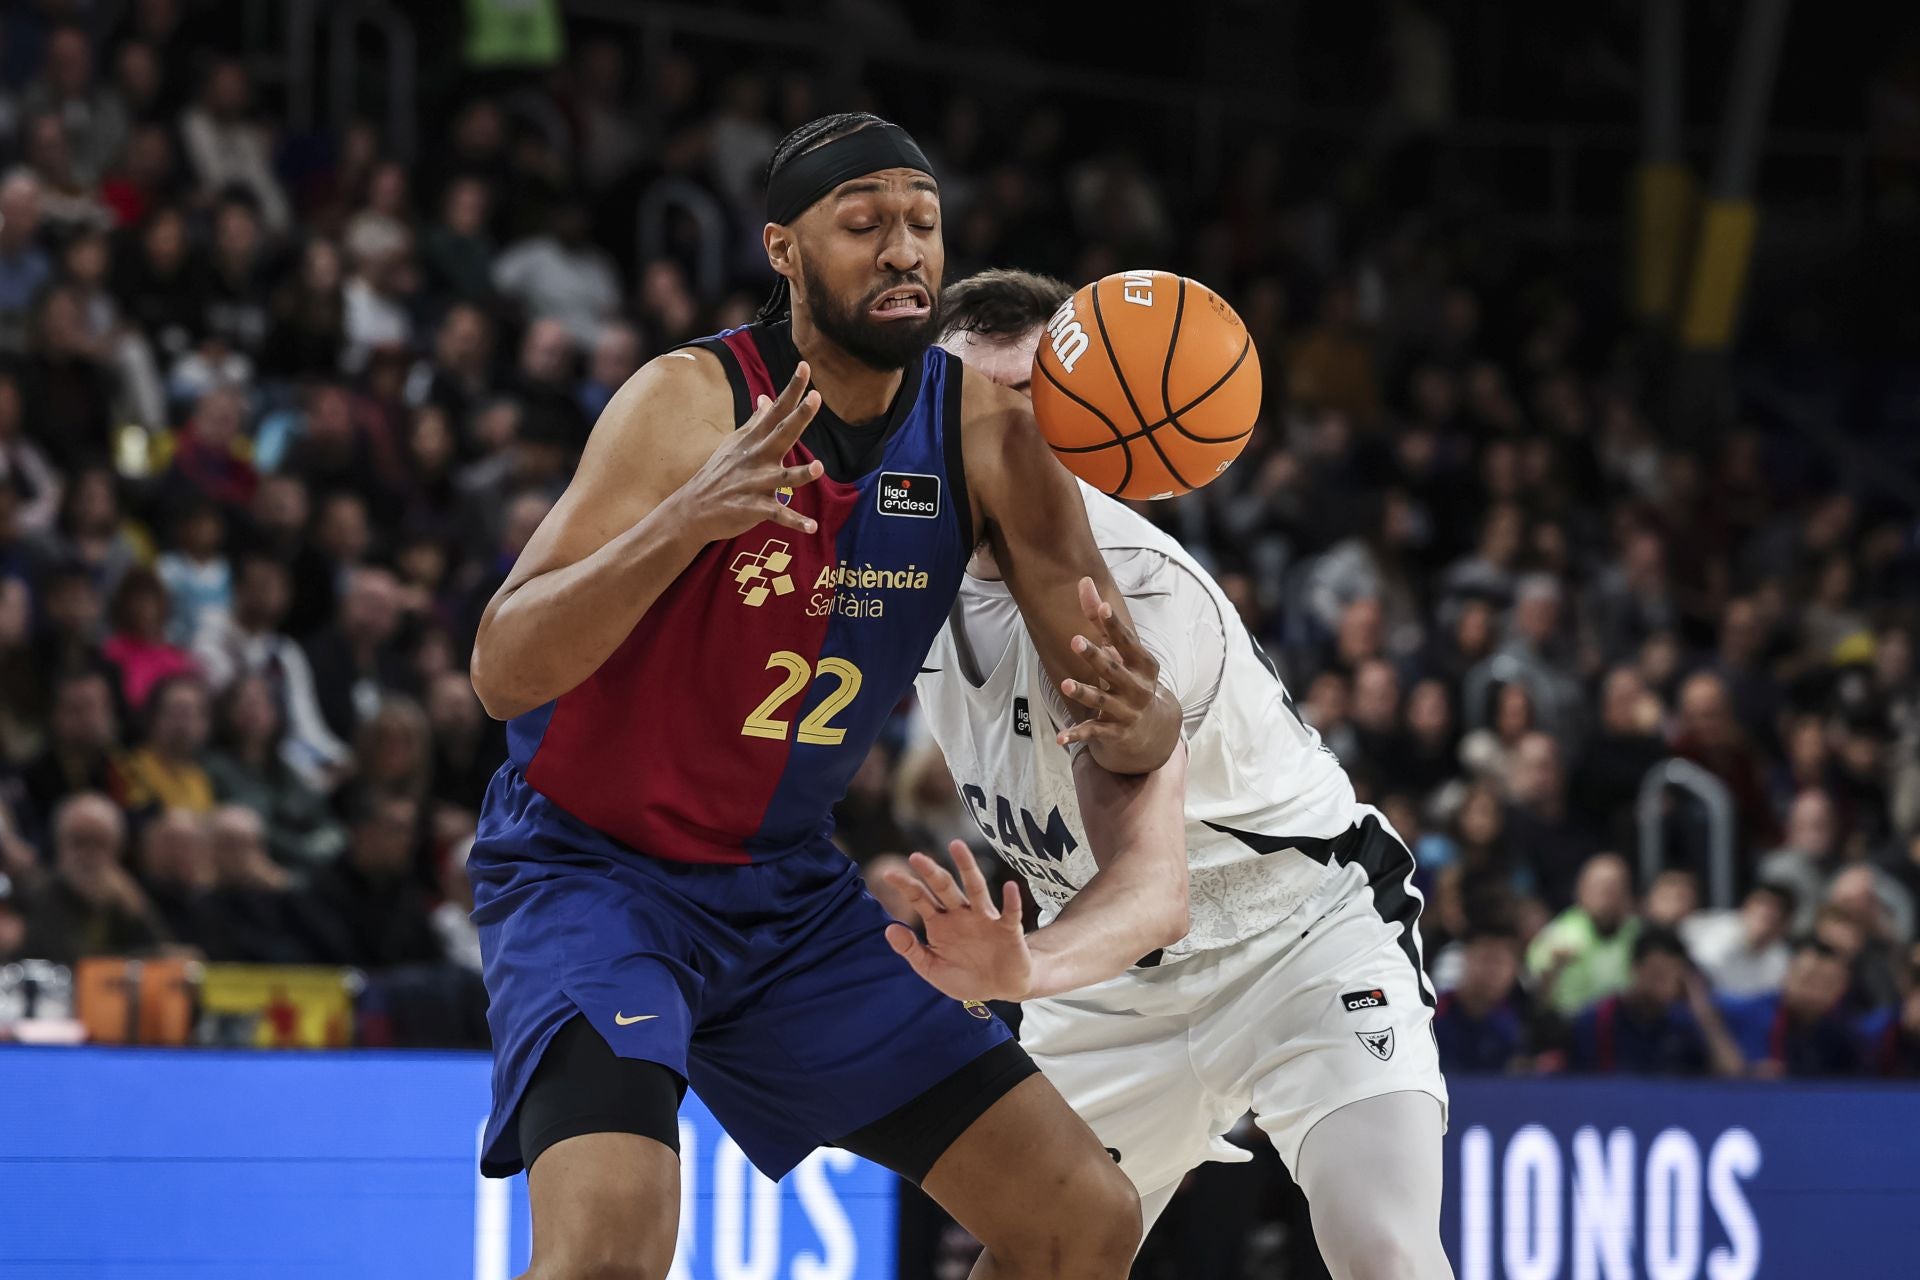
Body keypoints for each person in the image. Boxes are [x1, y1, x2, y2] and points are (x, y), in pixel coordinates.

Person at [467, 116, 1179, 1280]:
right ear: (785, 250)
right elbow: (502, 666)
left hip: (785, 895)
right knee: (608, 1249)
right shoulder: (687, 403)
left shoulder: (989, 431)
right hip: (595, 873)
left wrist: (1146, 717)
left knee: (1083, 1219)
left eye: (923, 224)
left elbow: (1129, 714)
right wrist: (680, 522)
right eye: (865, 225)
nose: (903, 250)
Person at [888, 267, 1452, 1278]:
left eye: (1029, 402)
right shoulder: (901, 565)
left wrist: (1025, 966)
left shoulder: (1136, 594)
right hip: (1107, 983)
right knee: (1031, 1259)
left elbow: (1157, 888)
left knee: (1386, 1253)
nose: (1003, 432)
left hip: (1296, 929)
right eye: (973, 400)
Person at [1567, 926, 1744, 1076]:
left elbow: (1732, 1072)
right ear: (1634, 969)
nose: (1665, 984)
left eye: (1673, 976)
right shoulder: (1597, 1020)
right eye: (1657, 974)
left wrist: (1702, 1010)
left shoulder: (1684, 1023)